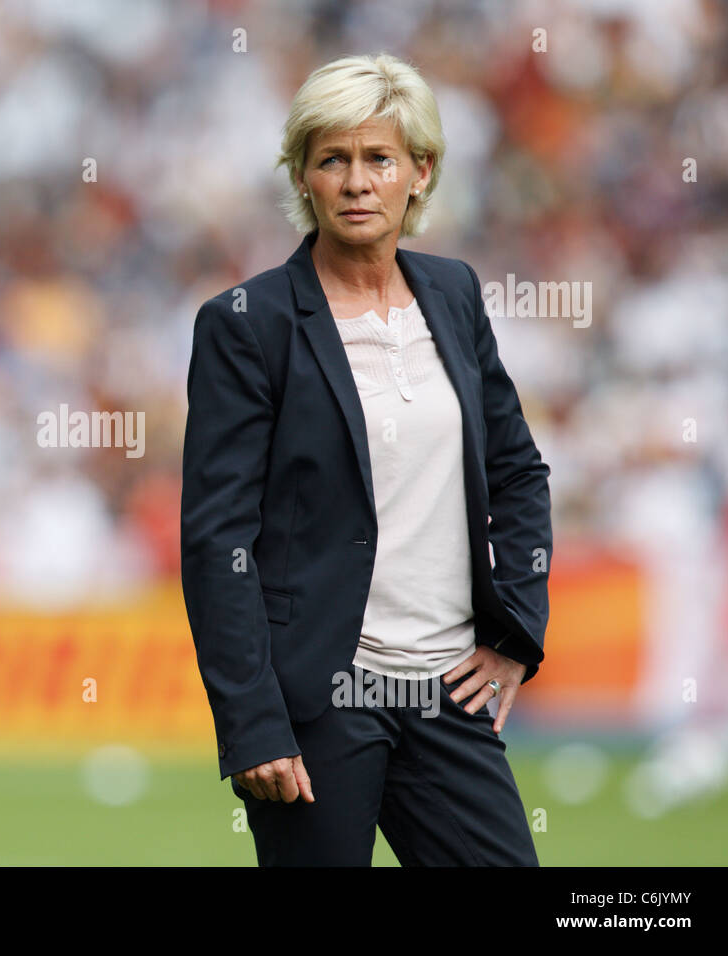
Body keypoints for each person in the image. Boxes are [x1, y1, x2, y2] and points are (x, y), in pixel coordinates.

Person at [179, 53, 552, 866]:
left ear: (420, 173)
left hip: (450, 690)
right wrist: (251, 723)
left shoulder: (453, 294)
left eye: (379, 158)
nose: (356, 181)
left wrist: (518, 633)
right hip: (321, 702)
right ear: (303, 177)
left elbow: (520, 473)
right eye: (332, 159)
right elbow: (219, 541)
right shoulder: (247, 324)